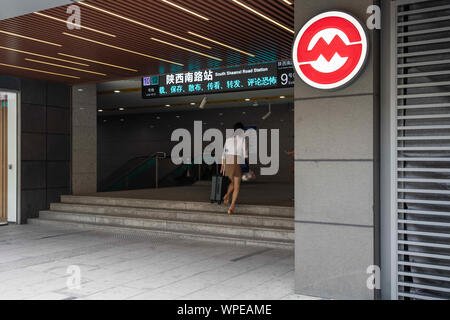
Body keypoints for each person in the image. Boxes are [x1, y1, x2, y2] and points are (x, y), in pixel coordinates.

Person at [221, 122, 248, 215]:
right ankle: (231, 206)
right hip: (236, 161)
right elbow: (245, 155)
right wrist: (248, 165)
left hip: (228, 161)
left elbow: (223, 154)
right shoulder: (242, 139)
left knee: (232, 182)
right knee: (237, 186)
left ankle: (226, 197)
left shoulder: (228, 139)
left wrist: (222, 167)